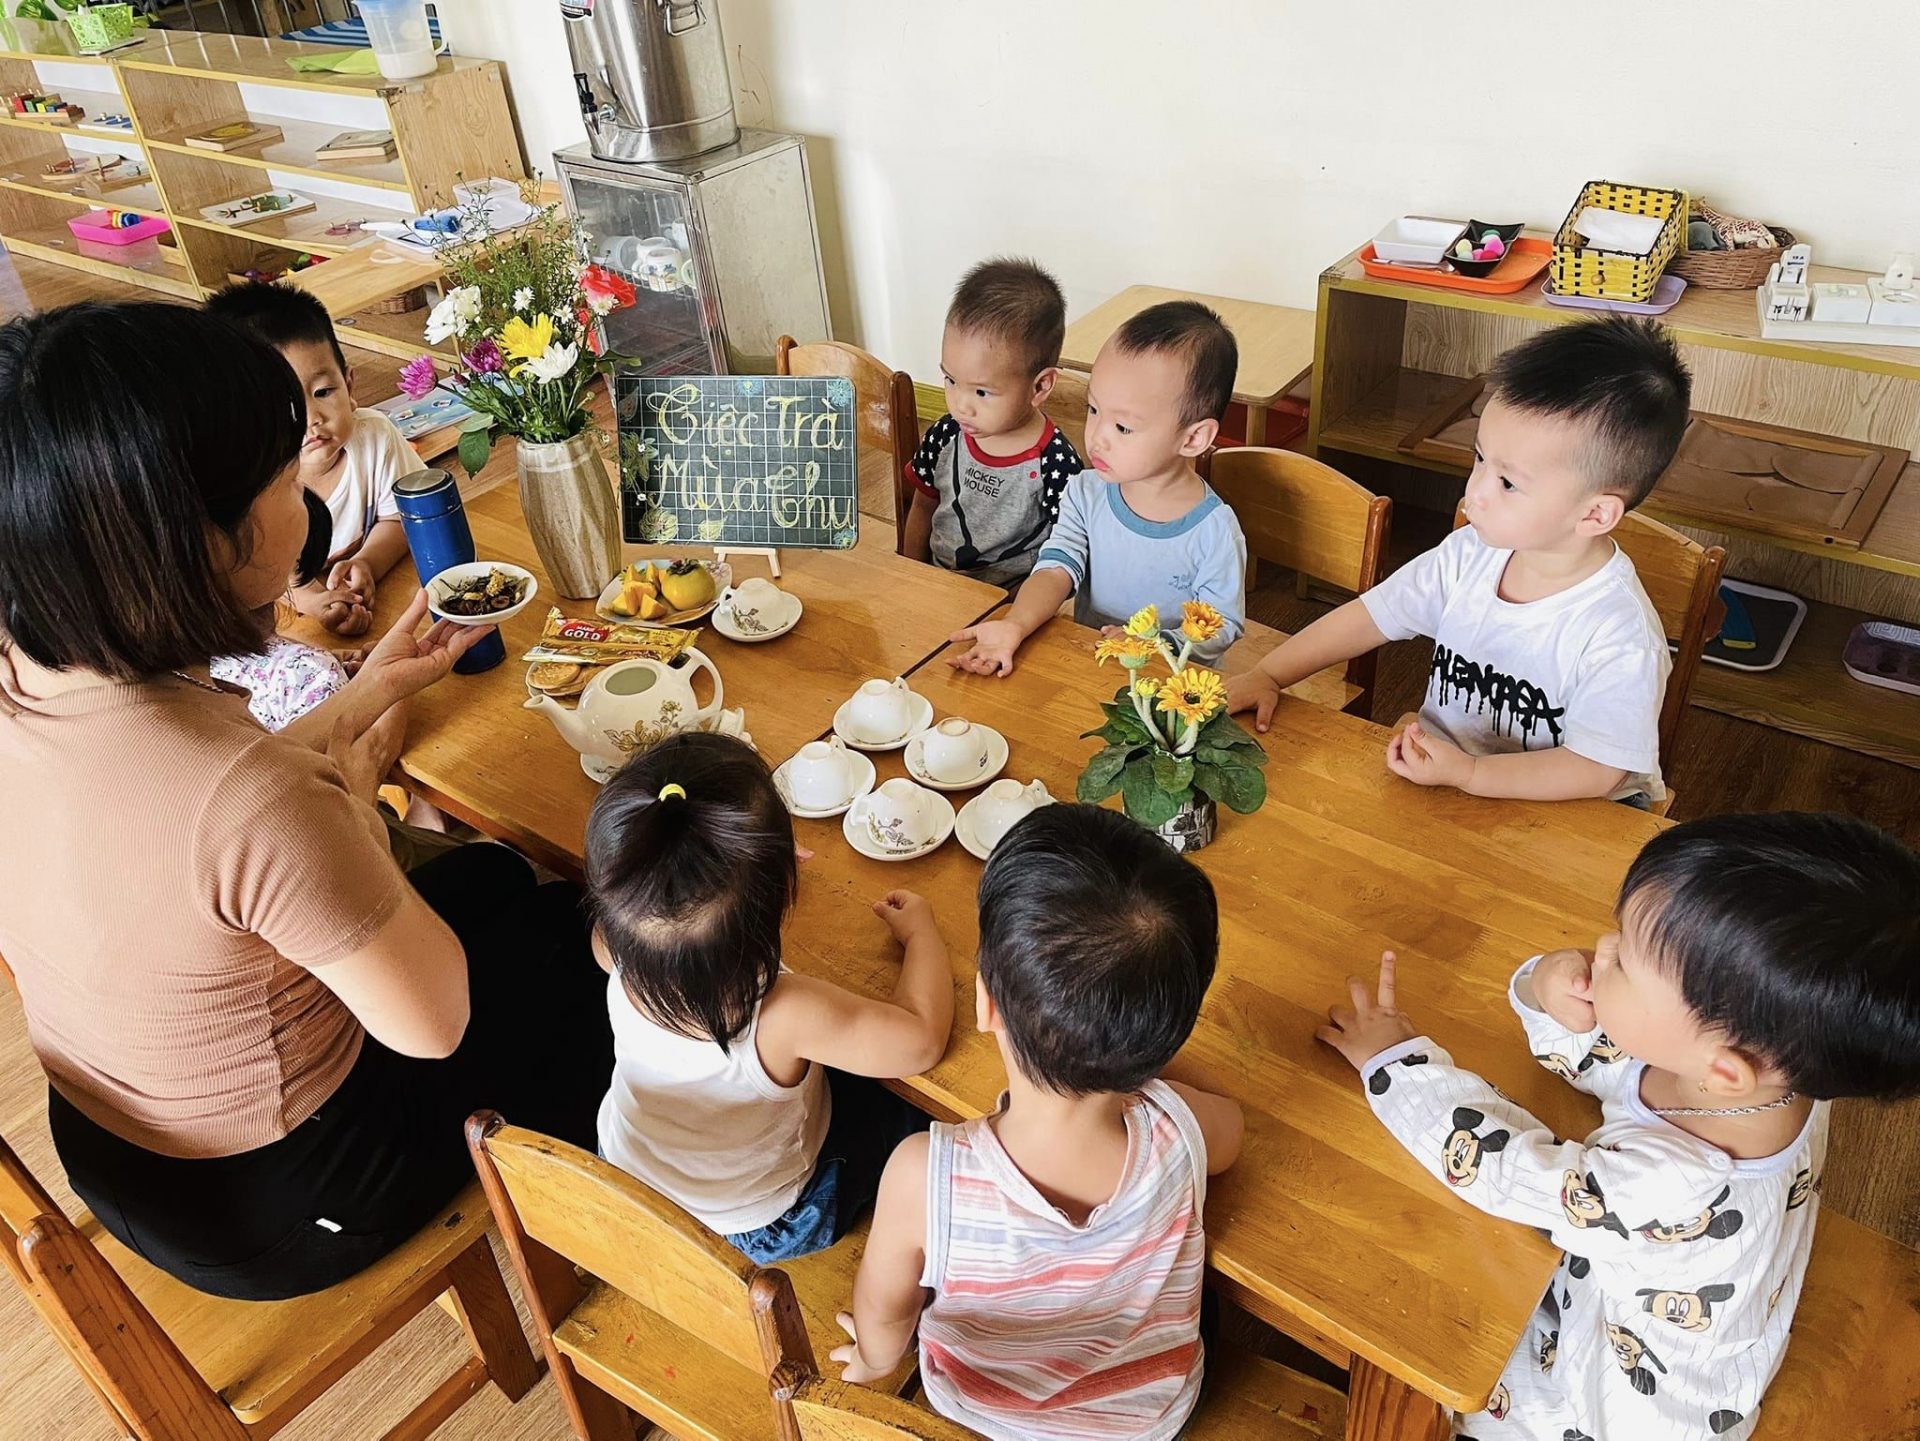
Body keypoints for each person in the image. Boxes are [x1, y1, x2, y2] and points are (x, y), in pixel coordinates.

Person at [0, 301, 611, 1301]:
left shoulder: (27, 678)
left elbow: (192, 828)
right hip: (286, 1199)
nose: (306, 504)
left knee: (495, 880)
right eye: (287, 481)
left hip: (120, 1149)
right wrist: (353, 803)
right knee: (588, 947)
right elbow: (435, 1020)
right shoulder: (254, 799)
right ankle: (615, 1241)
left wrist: (368, 691)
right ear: (201, 541)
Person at [1317, 812, 1920, 1440]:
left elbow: (1497, 1169)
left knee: (1427, 1342)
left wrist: (1394, 1060)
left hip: (1622, 1409)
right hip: (1709, 1326)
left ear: (1723, 1070)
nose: (1602, 950)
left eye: (1626, 962)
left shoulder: (1666, 1184)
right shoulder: (1780, 1072)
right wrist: (1548, 985)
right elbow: (1610, 1057)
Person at [833, 804, 1244, 1440]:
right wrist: (1155, 1080)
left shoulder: (925, 1175)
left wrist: (870, 1360)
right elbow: (1232, 1132)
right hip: (1148, 1419)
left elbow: (886, 1321)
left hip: (981, 1409)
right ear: (1163, 1040)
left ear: (985, 1005)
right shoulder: (1178, 1129)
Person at [1227, 317, 1689, 805]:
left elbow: (1597, 770)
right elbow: (1371, 615)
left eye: (1508, 483)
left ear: (1595, 514)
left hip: (1567, 813)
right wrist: (1270, 674)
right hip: (1449, 779)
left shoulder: (1621, 635)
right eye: (1479, 459)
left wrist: (1472, 773)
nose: (1474, 493)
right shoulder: (1470, 553)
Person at [589, 731, 952, 1262]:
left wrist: (752, 873)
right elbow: (922, 1039)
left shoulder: (613, 947)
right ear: (784, 892)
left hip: (629, 1178)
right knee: (910, 1112)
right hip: (759, 1225)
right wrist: (922, 935)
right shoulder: (784, 1014)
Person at [948, 300, 1247, 675]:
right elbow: (1056, 569)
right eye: (1093, 410)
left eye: (1123, 427)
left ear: (1193, 438)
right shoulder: (1085, 492)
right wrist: (1016, 623)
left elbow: (1221, 625)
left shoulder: (1214, 530)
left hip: (1171, 685)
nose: (1097, 437)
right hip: (1090, 665)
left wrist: (1152, 644)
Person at [206, 281, 419, 638]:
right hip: (278, 626)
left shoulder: (375, 437)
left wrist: (367, 563)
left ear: (349, 386)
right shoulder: (248, 480)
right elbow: (257, 576)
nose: (311, 418)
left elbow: (402, 518)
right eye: (283, 405)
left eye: (323, 392)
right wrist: (317, 601)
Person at [903, 258, 1084, 588]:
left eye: (982, 392)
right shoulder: (945, 434)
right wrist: (910, 576)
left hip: (1010, 603)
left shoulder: (1055, 463)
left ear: (1040, 387)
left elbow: (1068, 554)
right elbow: (923, 505)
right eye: (951, 380)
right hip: (936, 586)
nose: (960, 405)